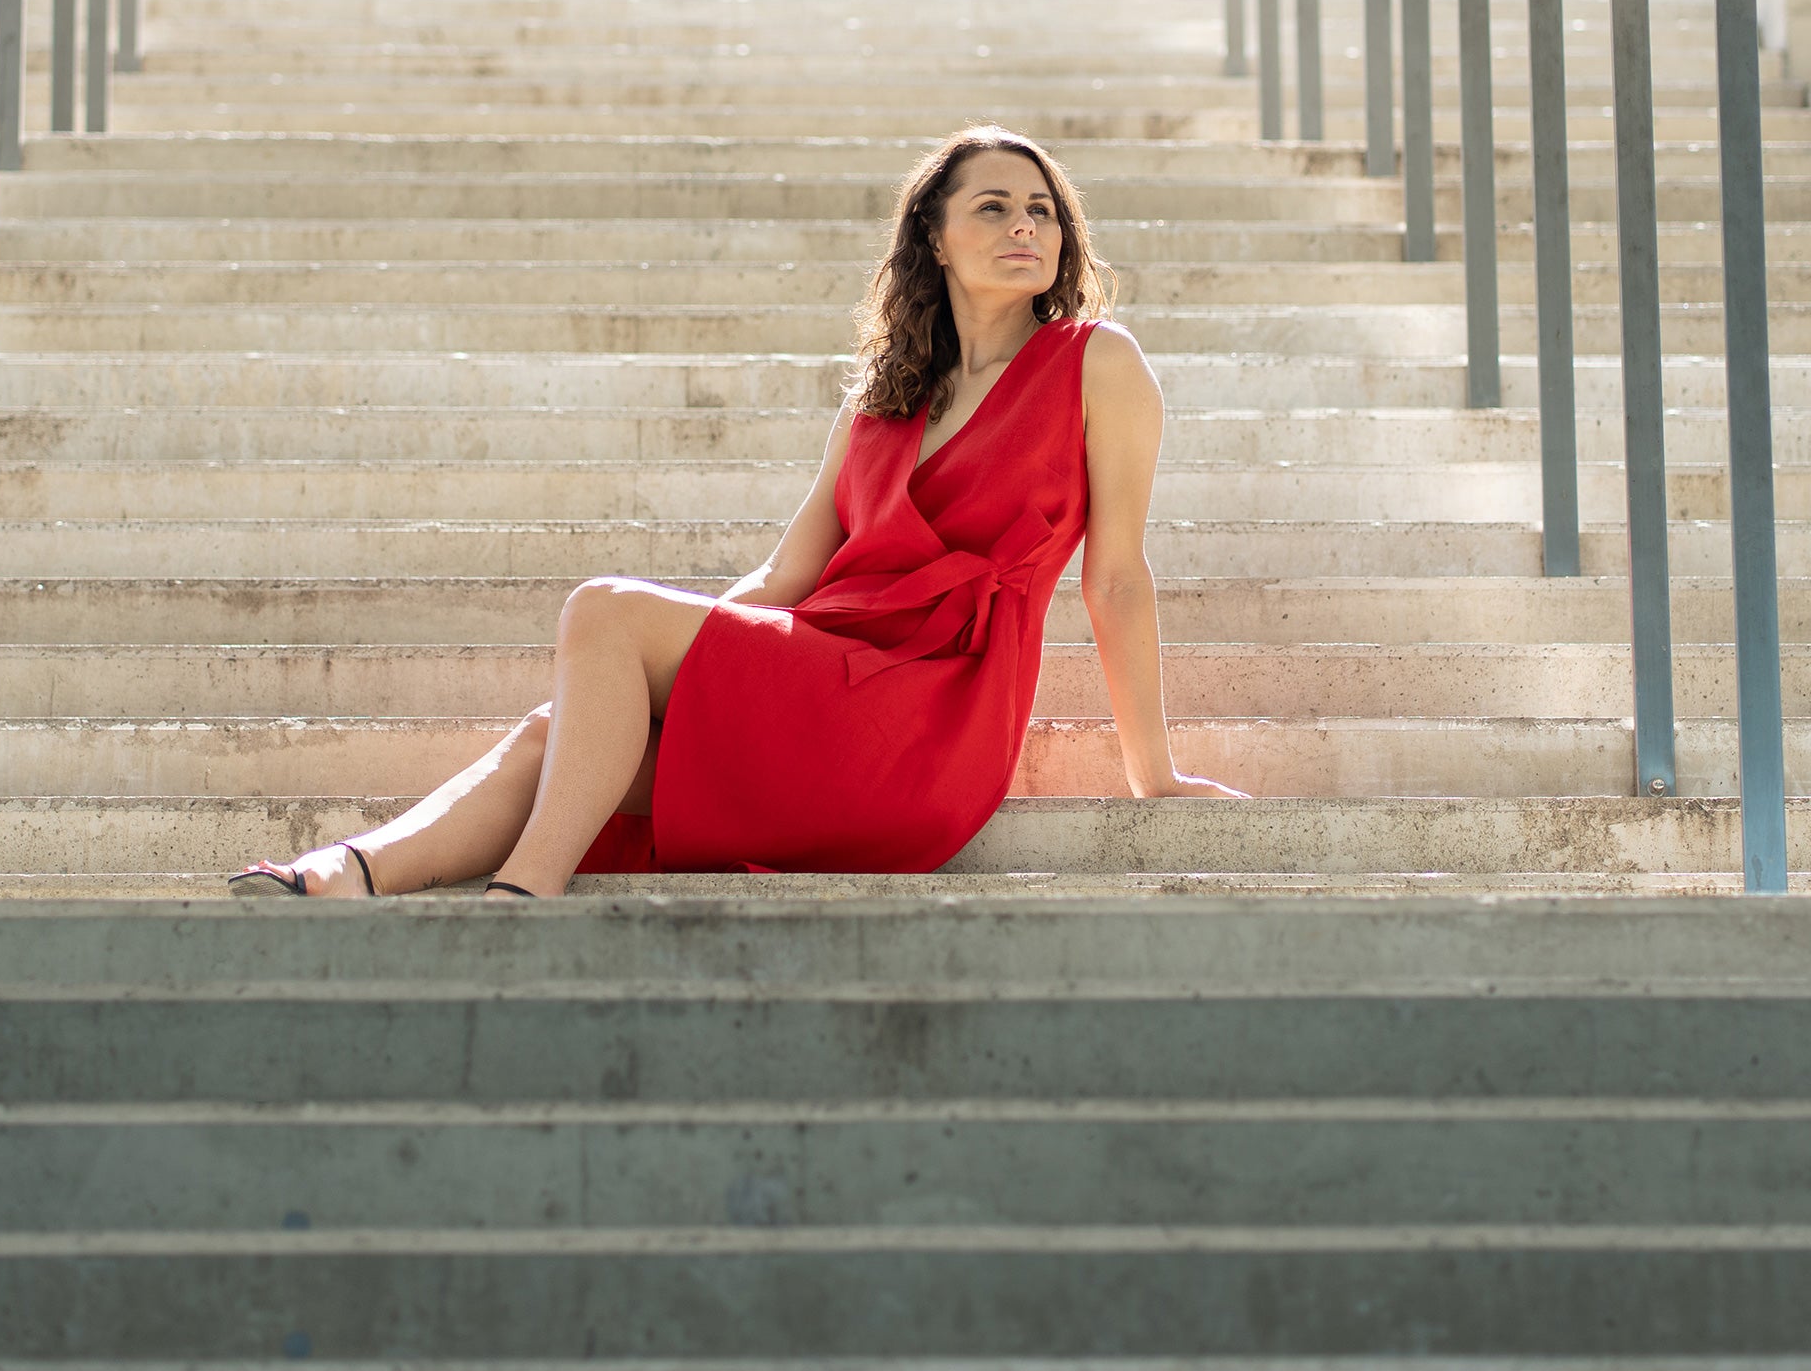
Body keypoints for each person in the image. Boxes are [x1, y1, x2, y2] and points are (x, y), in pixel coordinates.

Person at [229, 123, 1245, 902]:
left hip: (928, 718)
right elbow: (781, 583)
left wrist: (1150, 774)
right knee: (563, 732)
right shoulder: (878, 403)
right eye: (992, 207)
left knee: (603, 608)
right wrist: (684, 682)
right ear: (931, 237)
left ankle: (522, 894)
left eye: (1042, 209)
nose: (1026, 225)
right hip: (825, 670)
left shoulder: (1094, 362)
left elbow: (1113, 576)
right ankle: (342, 873)